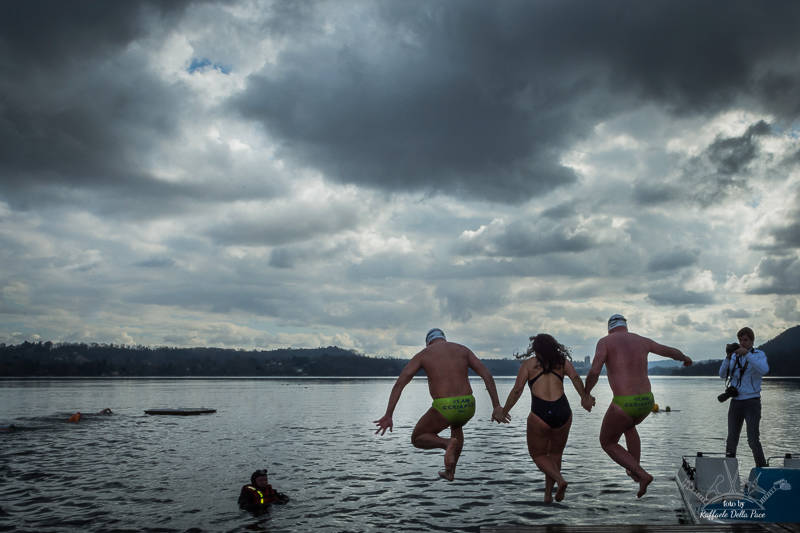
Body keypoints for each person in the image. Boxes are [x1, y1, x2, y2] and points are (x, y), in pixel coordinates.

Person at [374, 328, 508, 481]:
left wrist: (389, 414)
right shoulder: (462, 350)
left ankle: (446, 443)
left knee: (418, 438)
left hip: (445, 407)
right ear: (444, 339)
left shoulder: (424, 354)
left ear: (428, 343)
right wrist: (496, 405)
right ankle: (450, 471)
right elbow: (487, 375)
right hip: (468, 405)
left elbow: (400, 384)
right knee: (456, 426)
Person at [584, 314, 692, 498]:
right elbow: (668, 351)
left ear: (609, 328)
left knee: (607, 442)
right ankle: (634, 469)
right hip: (647, 402)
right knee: (628, 426)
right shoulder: (642, 340)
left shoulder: (605, 342)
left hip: (624, 403)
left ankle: (641, 474)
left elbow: (594, 370)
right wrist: (684, 358)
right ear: (625, 326)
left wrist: (586, 393)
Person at [501, 334, 593, 503]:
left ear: (535, 349)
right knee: (556, 454)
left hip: (540, 412)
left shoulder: (529, 365)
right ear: (554, 347)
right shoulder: (562, 362)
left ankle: (560, 481)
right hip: (563, 411)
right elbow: (576, 378)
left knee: (537, 455)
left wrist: (504, 410)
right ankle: (548, 494)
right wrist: (584, 397)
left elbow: (517, 390)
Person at [718, 326, 769, 467]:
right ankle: (728, 470)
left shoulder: (758, 354)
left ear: (752, 341)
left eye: (745, 340)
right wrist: (728, 357)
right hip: (736, 402)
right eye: (740, 340)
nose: (742, 342)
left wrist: (747, 354)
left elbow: (764, 369)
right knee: (731, 439)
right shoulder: (734, 356)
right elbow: (722, 374)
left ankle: (763, 469)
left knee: (753, 440)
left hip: (752, 402)